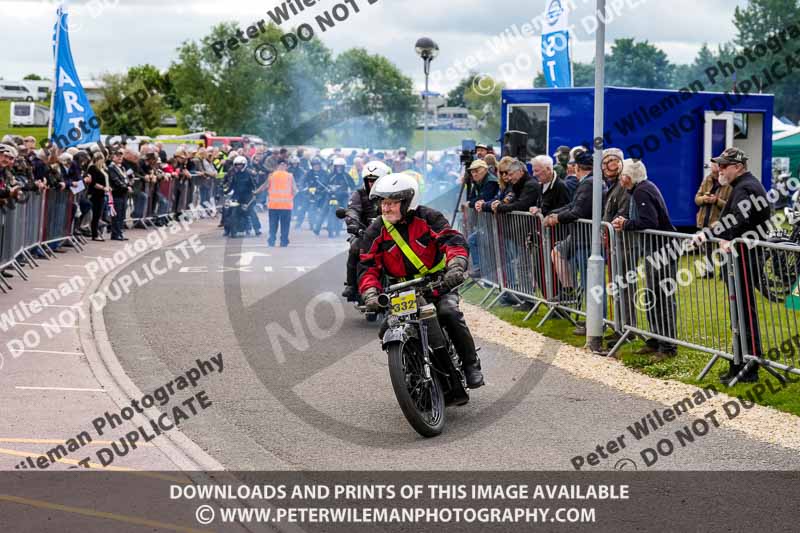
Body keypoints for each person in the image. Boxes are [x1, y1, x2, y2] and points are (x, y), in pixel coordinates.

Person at [359, 173, 485, 388]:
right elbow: (367, 267)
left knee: (449, 313)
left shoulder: (429, 218)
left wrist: (455, 266)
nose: (385, 208)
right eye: (383, 203)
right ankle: (410, 367)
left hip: (437, 284)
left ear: (408, 202)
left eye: (391, 203)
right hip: (401, 291)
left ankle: (471, 365)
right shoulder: (376, 230)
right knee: (388, 327)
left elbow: (452, 240)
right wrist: (370, 292)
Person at [707, 147, 770, 384]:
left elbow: (739, 222)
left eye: (724, 166)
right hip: (741, 255)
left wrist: (726, 237)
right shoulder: (741, 186)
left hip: (744, 256)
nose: (720, 170)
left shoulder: (745, 187)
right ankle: (739, 362)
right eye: (719, 165)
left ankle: (748, 366)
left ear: (738, 167)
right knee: (739, 312)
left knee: (744, 312)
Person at [612, 159, 678, 359]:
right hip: (655, 250)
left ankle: (668, 347)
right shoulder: (640, 189)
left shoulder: (642, 191)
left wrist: (626, 224)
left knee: (662, 297)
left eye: (622, 174)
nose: (620, 179)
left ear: (627, 177)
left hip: (662, 251)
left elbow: (649, 221)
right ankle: (655, 339)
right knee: (652, 296)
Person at [341, 160, 391, 300]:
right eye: (368, 180)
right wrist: (353, 223)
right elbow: (353, 209)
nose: (371, 183)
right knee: (355, 249)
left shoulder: (391, 193)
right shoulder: (359, 193)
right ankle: (351, 284)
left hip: (390, 231)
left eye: (374, 180)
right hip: (364, 232)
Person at [694, 160, 732, 278]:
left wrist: (716, 201)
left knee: (721, 247)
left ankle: (723, 273)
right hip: (705, 220)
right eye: (711, 165)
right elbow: (696, 198)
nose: (712, 167)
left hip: (719, 223)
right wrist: (704, 199)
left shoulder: (728, 183)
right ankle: (709, 272)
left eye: (714, 165)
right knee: (707, 249)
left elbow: (730, 205)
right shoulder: (707, 179)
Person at [255, 160, 297, 247]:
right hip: (286, 206)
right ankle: (284, 241)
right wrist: (291, 197)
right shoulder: (290, 176)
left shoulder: (272, 176)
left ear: (277, 166)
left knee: (273, 225)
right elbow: (294, 190)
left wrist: (255, 192)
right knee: (285, 225)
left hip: (273, 206)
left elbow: (264, 186)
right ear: (287, 166)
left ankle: (272, 240)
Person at [225, 155, 262, 236]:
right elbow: (231, 185)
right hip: (236, 196)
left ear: (244, 164)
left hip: (247, 196)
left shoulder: (249, 173)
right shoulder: (234, 174)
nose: (238, 166)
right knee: (228, 211)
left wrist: (255, 193)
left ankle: (257, 229)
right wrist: (225, 191)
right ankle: (227, 230)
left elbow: (255, 185)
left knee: (251, 212)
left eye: (240, 164)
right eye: (236, 165)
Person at [107, 150, 131, 241]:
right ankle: (115, 233)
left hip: (123, 193)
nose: (120, 158)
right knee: (116, 215)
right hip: (117, 193)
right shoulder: (111, 167)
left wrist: (128, 185)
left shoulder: (122, 168)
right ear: (113, 157)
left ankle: (120, 232)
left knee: (122, 214)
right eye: (117, 156)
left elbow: (126, 178)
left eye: (121, 156)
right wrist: (125, 187)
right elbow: (115, 180)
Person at [86, 152, 111, 241]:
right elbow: (93, 182)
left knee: (98, 215)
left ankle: (97, 232)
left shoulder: (102, 169)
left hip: (102, 194)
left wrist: (107, 187)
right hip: (95, 194)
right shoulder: (93, 168)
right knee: (96, 215)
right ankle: (94, 234)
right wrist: (103, 188)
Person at [601, 148, 628, 224]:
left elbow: (623, 214)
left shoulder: (624, 184)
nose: (603, 167)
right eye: (603, 164)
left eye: (606, 163)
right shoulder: (614, 184)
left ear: (618, 162)